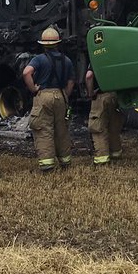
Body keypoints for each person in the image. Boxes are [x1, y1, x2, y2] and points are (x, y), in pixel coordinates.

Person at [22, 27, 75, 171]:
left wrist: (33, 89)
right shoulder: (67, 60)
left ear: (43, 44)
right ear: (57, 43)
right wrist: (65, 95)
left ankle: (47, 165)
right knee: (61, 130)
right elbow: (71, 82)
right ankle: (65, 162)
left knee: (43, 129)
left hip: (44, 95)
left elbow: (26, 72)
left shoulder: (39, 59)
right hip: (61, 95)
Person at [85, 67, 122, 165]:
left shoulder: (97, 55)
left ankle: (102, 158)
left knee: (97, 127)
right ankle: (116, 153)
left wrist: (90, 93)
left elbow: (89, 76)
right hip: (114, 95)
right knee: (113, 126)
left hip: (100, 96)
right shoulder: (114, 57)